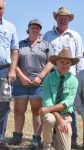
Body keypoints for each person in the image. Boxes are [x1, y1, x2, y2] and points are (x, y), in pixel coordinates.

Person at [43, 7, 84, 148]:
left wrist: (81, 76)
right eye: (60, 17)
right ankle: (49, 140)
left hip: (71, 76)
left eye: (65, 17)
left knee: (69, 108)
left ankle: (71, 138)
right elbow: (44, 56)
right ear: (56, 18)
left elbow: (79, 56)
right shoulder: (47, 35)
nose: (63, 19)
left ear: (69, 20)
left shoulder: (75, 36)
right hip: (52, 75)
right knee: (50, 108)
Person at [8, 19, 53, 149]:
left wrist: (40, 77)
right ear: (28, 29)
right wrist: (21, 76)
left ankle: (36, 138)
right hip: (20, 83)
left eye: (37, 27)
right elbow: (13, 60)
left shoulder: (46, 44)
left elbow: (51, 62)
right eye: (32, 27)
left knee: (37, 111)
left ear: (40, 31)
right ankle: (17, 136)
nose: (35, 29)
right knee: (18, 111)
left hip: (39, 84)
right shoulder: (20, 44)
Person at [39, 48, 79, 150]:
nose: (64, 65)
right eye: (61, 62)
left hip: (65, 116)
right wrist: (58, 118)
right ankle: (46, 145)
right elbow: (47, 101)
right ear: (56, 62)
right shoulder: (48, 78)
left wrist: (61, 119)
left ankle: (56, 139)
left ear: (71, 64)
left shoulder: (74, 81)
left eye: (67, 62)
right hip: (51, 114)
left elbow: (67, 103)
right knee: (48, 119)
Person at [0, 0, 19, 149]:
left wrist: (12, 69)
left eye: (0, 8)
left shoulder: (10, 27)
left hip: (5, 70)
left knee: (4, 104)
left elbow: (14, 50)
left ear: (4, 9)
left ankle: (0, 139)